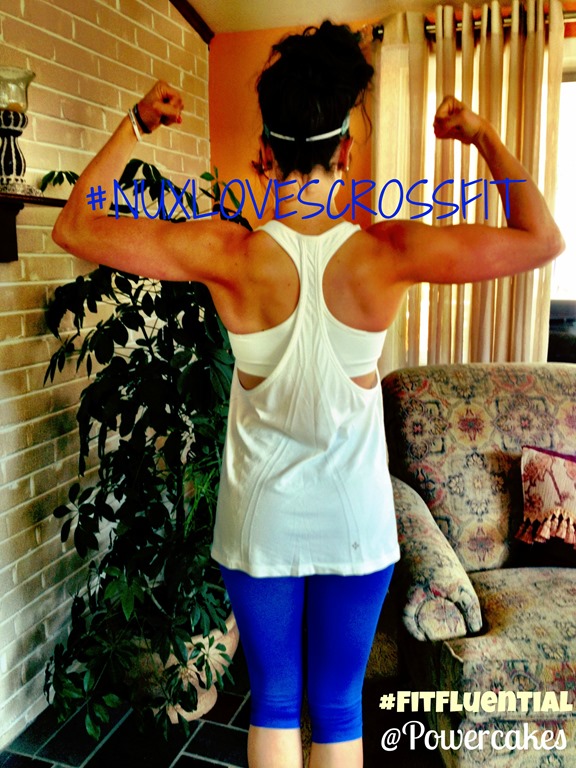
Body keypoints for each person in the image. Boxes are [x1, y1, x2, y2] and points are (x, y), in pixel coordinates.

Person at [52, 20, 564, 768]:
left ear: (264, 153)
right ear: (346, 153)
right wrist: (482, 136)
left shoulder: (225, 252)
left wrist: (137, 121)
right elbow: (541, 238)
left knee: (275, 702)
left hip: (259, 520)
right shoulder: (389, 250)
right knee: (338, 710)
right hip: (356, 524)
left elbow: (75, 225)